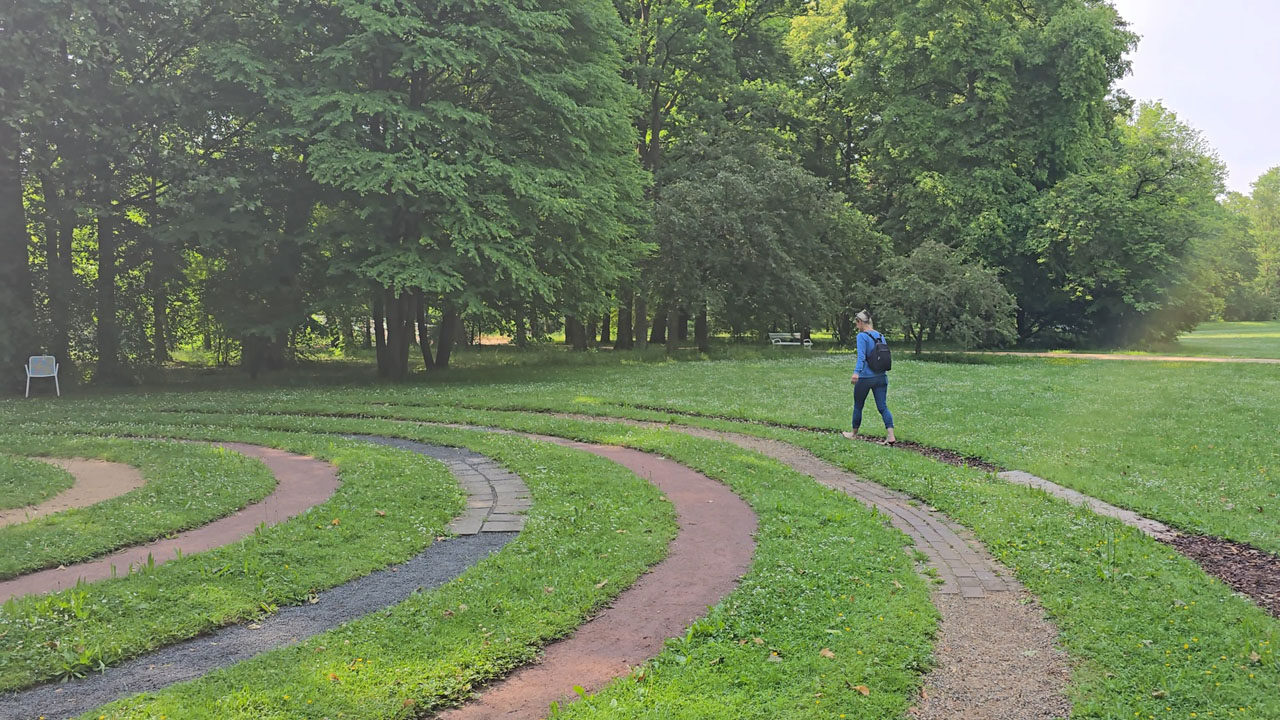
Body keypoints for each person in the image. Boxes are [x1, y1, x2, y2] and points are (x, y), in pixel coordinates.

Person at [842, 309, 895, 444]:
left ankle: (853, 434)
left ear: (860, 322)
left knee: (858, 405)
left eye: (856, 323)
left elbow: (861, 356)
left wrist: (856, 372)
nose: (856, 326)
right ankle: (891, 435)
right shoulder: (880, 336)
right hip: (881, 376)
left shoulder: (862, 336)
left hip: (866, 377)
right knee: (883, 406)